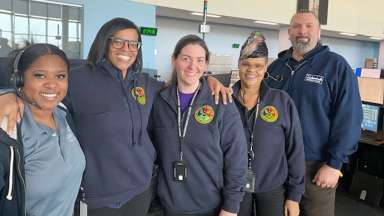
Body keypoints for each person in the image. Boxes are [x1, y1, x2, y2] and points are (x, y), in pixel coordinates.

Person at [0, 17, 230, 216]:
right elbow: (43, 85)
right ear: (105, 42)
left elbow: (179, 86)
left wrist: (209, 80)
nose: (126, 49)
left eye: (133, 44)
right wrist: (10, 95)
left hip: (141, 191)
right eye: (118, 41)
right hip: (99, 197)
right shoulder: (78, 79)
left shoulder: (144, 83)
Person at [266, 10, 363, 216]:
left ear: (319, 33)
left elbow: (350, 118)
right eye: (297, 26)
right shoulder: (276, 67)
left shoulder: (336, 66)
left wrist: (334, 165)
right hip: (276, 162)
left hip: (314, 166)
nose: (303, 31)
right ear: (289, 32)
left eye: (309, 26)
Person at [148, 34, 247, 216]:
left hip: (209, 206)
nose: (193, 66)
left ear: (206, 65)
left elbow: (236, 157)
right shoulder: (159, 101)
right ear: (174, 60)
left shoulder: (221, 102)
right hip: (165, 205)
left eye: (200, 60)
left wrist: (231, 207)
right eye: (186, 59)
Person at [0, 43, 85, 216]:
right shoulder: (8, 128)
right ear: (19, 79)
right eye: (39, 75)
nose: (52, 85)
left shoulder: (63, 113)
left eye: (60, 76)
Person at [233, 31, 305, 216]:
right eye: (246, 64)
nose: (251, 70)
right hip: (234, 188)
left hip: (273, 188)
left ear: (266, 68)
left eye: (258, 65)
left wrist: (294, 196)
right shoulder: (225, 101)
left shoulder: (281, 101)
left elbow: (295, 150)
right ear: (239, 65)